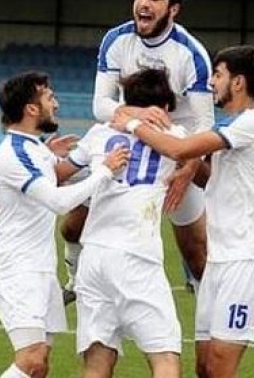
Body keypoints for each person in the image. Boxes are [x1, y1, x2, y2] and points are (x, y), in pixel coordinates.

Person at [111, 45, 254, 378]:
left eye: (218, 74)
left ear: (238, 82)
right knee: (204, 367)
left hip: (246, 261)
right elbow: (210, 177)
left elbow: (180, 148)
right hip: (218, 261)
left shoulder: (252, 124)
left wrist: (133, 123)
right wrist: (186, 165)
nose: (211, 82)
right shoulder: (233, 128)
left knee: (219, 367)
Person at [62, 0, 213, 300]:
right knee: (72, 227)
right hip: (123, 144)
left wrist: (188, 167)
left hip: (175, 152)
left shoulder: (191, 54)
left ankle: (210, 316)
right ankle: (74, 281)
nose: (144, 3)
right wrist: (136, 115)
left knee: (196, 252)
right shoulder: (116, 39)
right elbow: (100, 104)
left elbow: (205, 124)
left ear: (173, 9)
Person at [0, 71, 128, 378]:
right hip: (18, 269)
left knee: (39, 365)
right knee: (31, 360)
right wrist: (104, 171)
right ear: (31, 108)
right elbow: (58, 202)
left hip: (41, 267)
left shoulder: (36, 148)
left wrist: (57, 156)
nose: (56, 104)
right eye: (49, 97)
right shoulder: (14, 153)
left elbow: (56, 178)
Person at [68, 68, 184, 377]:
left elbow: (59, 173)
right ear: (165, 107)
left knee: (96, 362)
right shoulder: (175, 135)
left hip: (93, 255)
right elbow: (194, 156)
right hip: (136, 255)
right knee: (165, 357)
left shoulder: (99, 133)